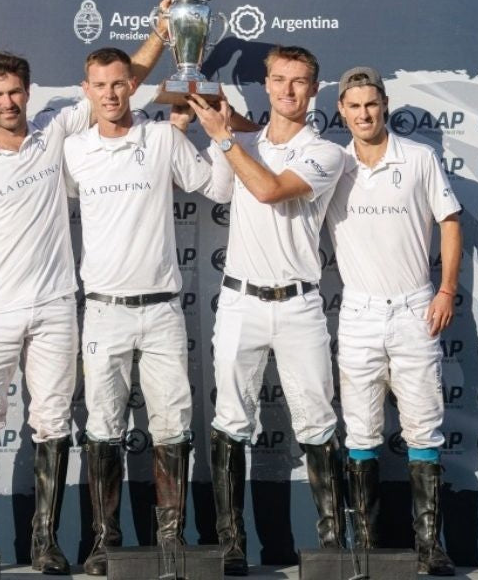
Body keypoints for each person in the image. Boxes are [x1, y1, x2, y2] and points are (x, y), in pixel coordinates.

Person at [0, 19, 168, 574]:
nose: (8, 102)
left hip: (57, 305)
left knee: (54, 422)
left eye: (15, 91)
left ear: (28, 92)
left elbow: (126, 78)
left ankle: (45, 544)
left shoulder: (55, 132)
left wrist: (160, 32)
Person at [62, 46, 236, 576]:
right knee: (103, 428)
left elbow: (219, 186)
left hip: (161, 311)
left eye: (120, 84)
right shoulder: (72, 151)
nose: (111, 94)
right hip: (103, 311)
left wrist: (221, 138)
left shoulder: (162, 138)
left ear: (131, 87)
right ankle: (103, 542)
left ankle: (170, 540)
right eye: (101, 85)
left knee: (172, 427)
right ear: (87, 90)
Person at [189, 45, 348, 576]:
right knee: (230, 422)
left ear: (314, 89)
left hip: (300, 303)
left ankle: (331, 546)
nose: (288, 90)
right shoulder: (244, 143)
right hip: (239, 301)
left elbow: (271, 191)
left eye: (300, 82)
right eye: (279, 80)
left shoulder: (325, 152)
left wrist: (226, 139)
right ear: (266, 83)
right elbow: (216, 187)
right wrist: (196, 123)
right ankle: (230, 545)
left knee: (318, 424)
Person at [326, 66, 461, 576]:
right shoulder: (332, 164)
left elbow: (450, 222)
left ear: (385, 105)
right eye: (354, 106)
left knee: (424, 428)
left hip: (414, 308)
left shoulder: (420, 158)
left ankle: (430, 548)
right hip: (358, 313)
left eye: (372, 104)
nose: (364, 114)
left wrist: (447, 288)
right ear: (342, 111)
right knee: (360, 432)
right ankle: (367, 547)